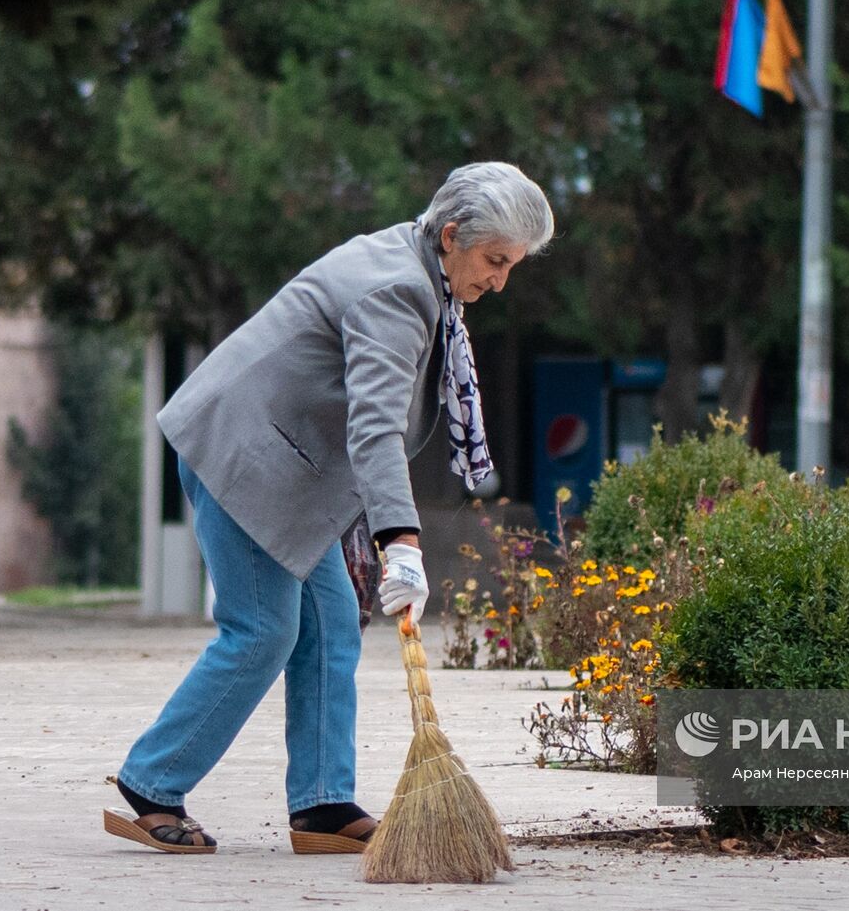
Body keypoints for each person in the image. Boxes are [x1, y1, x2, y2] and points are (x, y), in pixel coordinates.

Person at [103, 162, 554, 855]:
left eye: (511, 266)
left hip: (280, 463)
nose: (499, 280)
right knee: (262, 629)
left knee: (332, 622)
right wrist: (400, 539)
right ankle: (152, 784)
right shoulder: (398, 289)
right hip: (244, 456)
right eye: (495, 260)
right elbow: (373, 426)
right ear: (454, 233)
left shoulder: (414, 264)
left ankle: (320, 804)